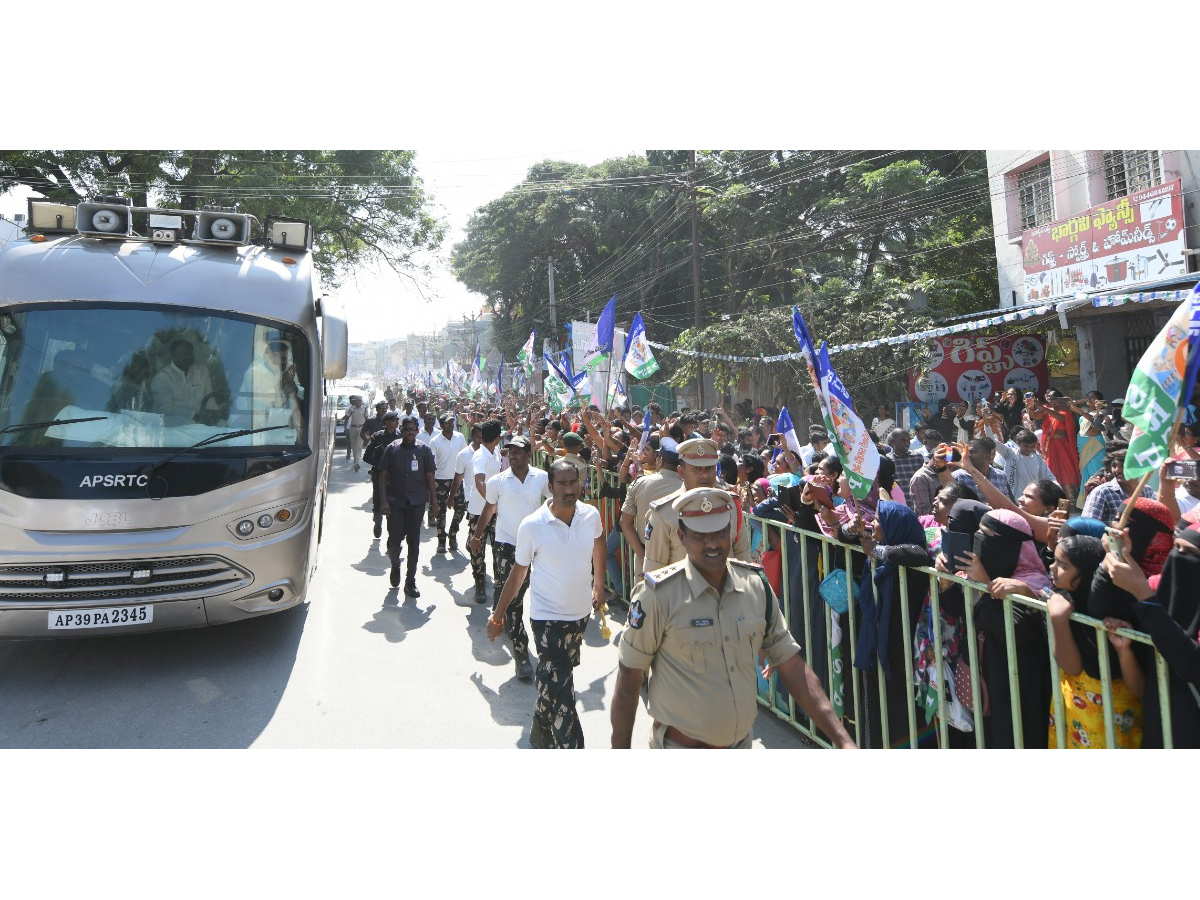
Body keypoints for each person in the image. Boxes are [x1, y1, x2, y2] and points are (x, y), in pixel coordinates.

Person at [610, 487, 856, 749]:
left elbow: (791, 664)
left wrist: (842, 740)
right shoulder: (656, 596)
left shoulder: (755, 586)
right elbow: (628, 684)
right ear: (681, 536)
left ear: (731, 532)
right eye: (700, 535)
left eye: (719, 532)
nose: (713, 543)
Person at [487, 460, 605, 748]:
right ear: (549, 488)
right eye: (562, 483)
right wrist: (498, 615)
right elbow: (518, 573)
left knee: (555, 683)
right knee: (564, 694)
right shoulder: (533, 525)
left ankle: (540, 724)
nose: (569, 488)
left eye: (573, 482)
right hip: (546, 620)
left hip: (579, 617)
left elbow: (599, 542)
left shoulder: (590, 516)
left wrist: (599, 585)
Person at [1101, 523, 1200, 748]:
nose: (1179, 557)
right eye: (1176, 547)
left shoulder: (1153, 599)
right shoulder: (1162, 594)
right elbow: (1144, 687)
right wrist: (1120, 555)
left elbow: (1192, 664)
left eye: (1192, 553)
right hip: (1159, 729)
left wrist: (1143, 596)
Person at [1045, 523, 1142, 748]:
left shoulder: (1113, 613)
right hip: (1073, 712)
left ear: (1087, 572)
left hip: (1111, 717)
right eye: (1055, 560)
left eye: (1063, 565)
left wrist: (1059, 620)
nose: (1052, 567)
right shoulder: (1065, 597)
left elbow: (1073, 666)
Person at [469, 435, 550, 680]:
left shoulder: (542, 478)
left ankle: (502, 609)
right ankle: (521, 654)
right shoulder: (498, 482)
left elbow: (555, 503)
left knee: (538, 598)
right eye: (510, 452)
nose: (513, 455)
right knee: (514, 600)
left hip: (537, 547)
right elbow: (489, 509)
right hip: (507, 546)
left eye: (518, 451)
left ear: (528, 454)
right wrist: (476, 536)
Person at [640, 437, 751, 577]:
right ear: (681, 472)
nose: (705, 475)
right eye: (697, 469)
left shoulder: (730, 505)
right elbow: (654, 572)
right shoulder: (664, 513)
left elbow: (743, 560)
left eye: (709, 468)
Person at [378, 415, 438, 597]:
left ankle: (410, 581)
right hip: (395, 503)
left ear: (417, 431)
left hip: (416, 503)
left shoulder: (424, 450)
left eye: (413, 429)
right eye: (407, 429)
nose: (410, 432)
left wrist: (434, 503)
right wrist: (383, 501)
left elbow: (430, 477)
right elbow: (383, 476)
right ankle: (395, 565)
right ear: (401, 431)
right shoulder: (392, 449)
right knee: (394, 541)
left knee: (414, 542)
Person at [452, 424, 488, 602]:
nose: (480, 439)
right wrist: (451, 496)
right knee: (476, 545)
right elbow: (458, 477)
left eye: (483, 436)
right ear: (473, 436)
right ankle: (479, 582)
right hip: (473, 504)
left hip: (492, 507)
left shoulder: (493, 452)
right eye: (477, 436)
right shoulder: (464, 455)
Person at [236, 337, 303, 428]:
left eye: (286, 359)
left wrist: (292, 386)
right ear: (273, 356)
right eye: (283, 359)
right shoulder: (253, 374)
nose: (285, 363)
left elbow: (298, 396)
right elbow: (264, 400)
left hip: (283, 425)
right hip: (260, 428)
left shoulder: (283, 372)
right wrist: (282, 382)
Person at [150, 339, 215, 423]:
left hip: (202, 422)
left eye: (189, 354)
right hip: (172, 426)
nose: (187, 357)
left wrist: (213, 414)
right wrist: (193, 415)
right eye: (182, 354)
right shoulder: (162, 378)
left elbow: (210, 399)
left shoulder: (202, 372)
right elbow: (166, 409)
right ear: (172, 356)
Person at [430, 412, 468, 554]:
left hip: (457, 479)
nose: (451, 424)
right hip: (440, 480)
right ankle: (441, 540)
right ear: (441, 425)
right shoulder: (435, 441)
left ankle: (452, 534)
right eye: (447, 422)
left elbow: (465, 457)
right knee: (441, 512)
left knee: (460, 509)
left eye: (452, 422)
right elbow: (431, 465)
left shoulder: (460, 437)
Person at [364, 410, 402, 539]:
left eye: (397, 420)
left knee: (395, 503)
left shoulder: (400, 437)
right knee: (378, 500)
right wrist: (380, 464)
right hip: (379, 475)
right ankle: (377, 521)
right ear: (386, 422)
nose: (397, 422)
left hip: (396, 476)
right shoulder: (378, 437)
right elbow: (366, 457)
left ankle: (392, 533)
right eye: (394, 420)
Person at [342, 395, 368, 472]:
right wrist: (345, 428)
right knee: (353, 445)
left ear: (360, 401)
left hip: (361, 428)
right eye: (354, 400)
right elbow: (346, 418)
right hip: (352, 428)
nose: (355, 402)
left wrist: (367, 430)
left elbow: (367, 419)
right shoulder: (351, 409)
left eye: (356, 400)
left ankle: (357, 463)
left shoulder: (365, 409)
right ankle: (356, 459)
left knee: (359, 445)